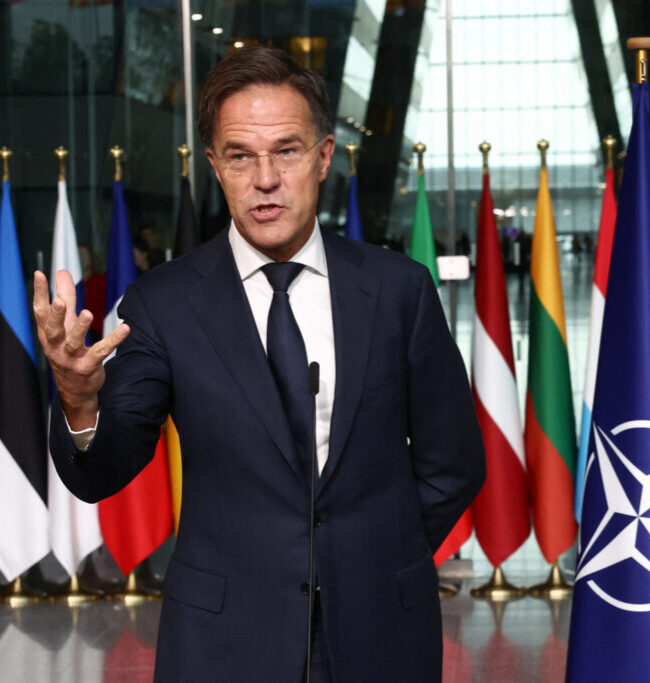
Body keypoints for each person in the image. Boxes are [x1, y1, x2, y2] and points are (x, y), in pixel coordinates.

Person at [34, 46, 485, 682]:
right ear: (215, 166)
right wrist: (78, 400)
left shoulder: (397, 290)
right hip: (224, 640)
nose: (264, 179)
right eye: (241, 156)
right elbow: (102, 472)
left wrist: (371, 555)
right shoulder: (163, 303)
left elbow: (453, 463)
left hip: (380, 629)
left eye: (287, 151)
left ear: (324, 156)